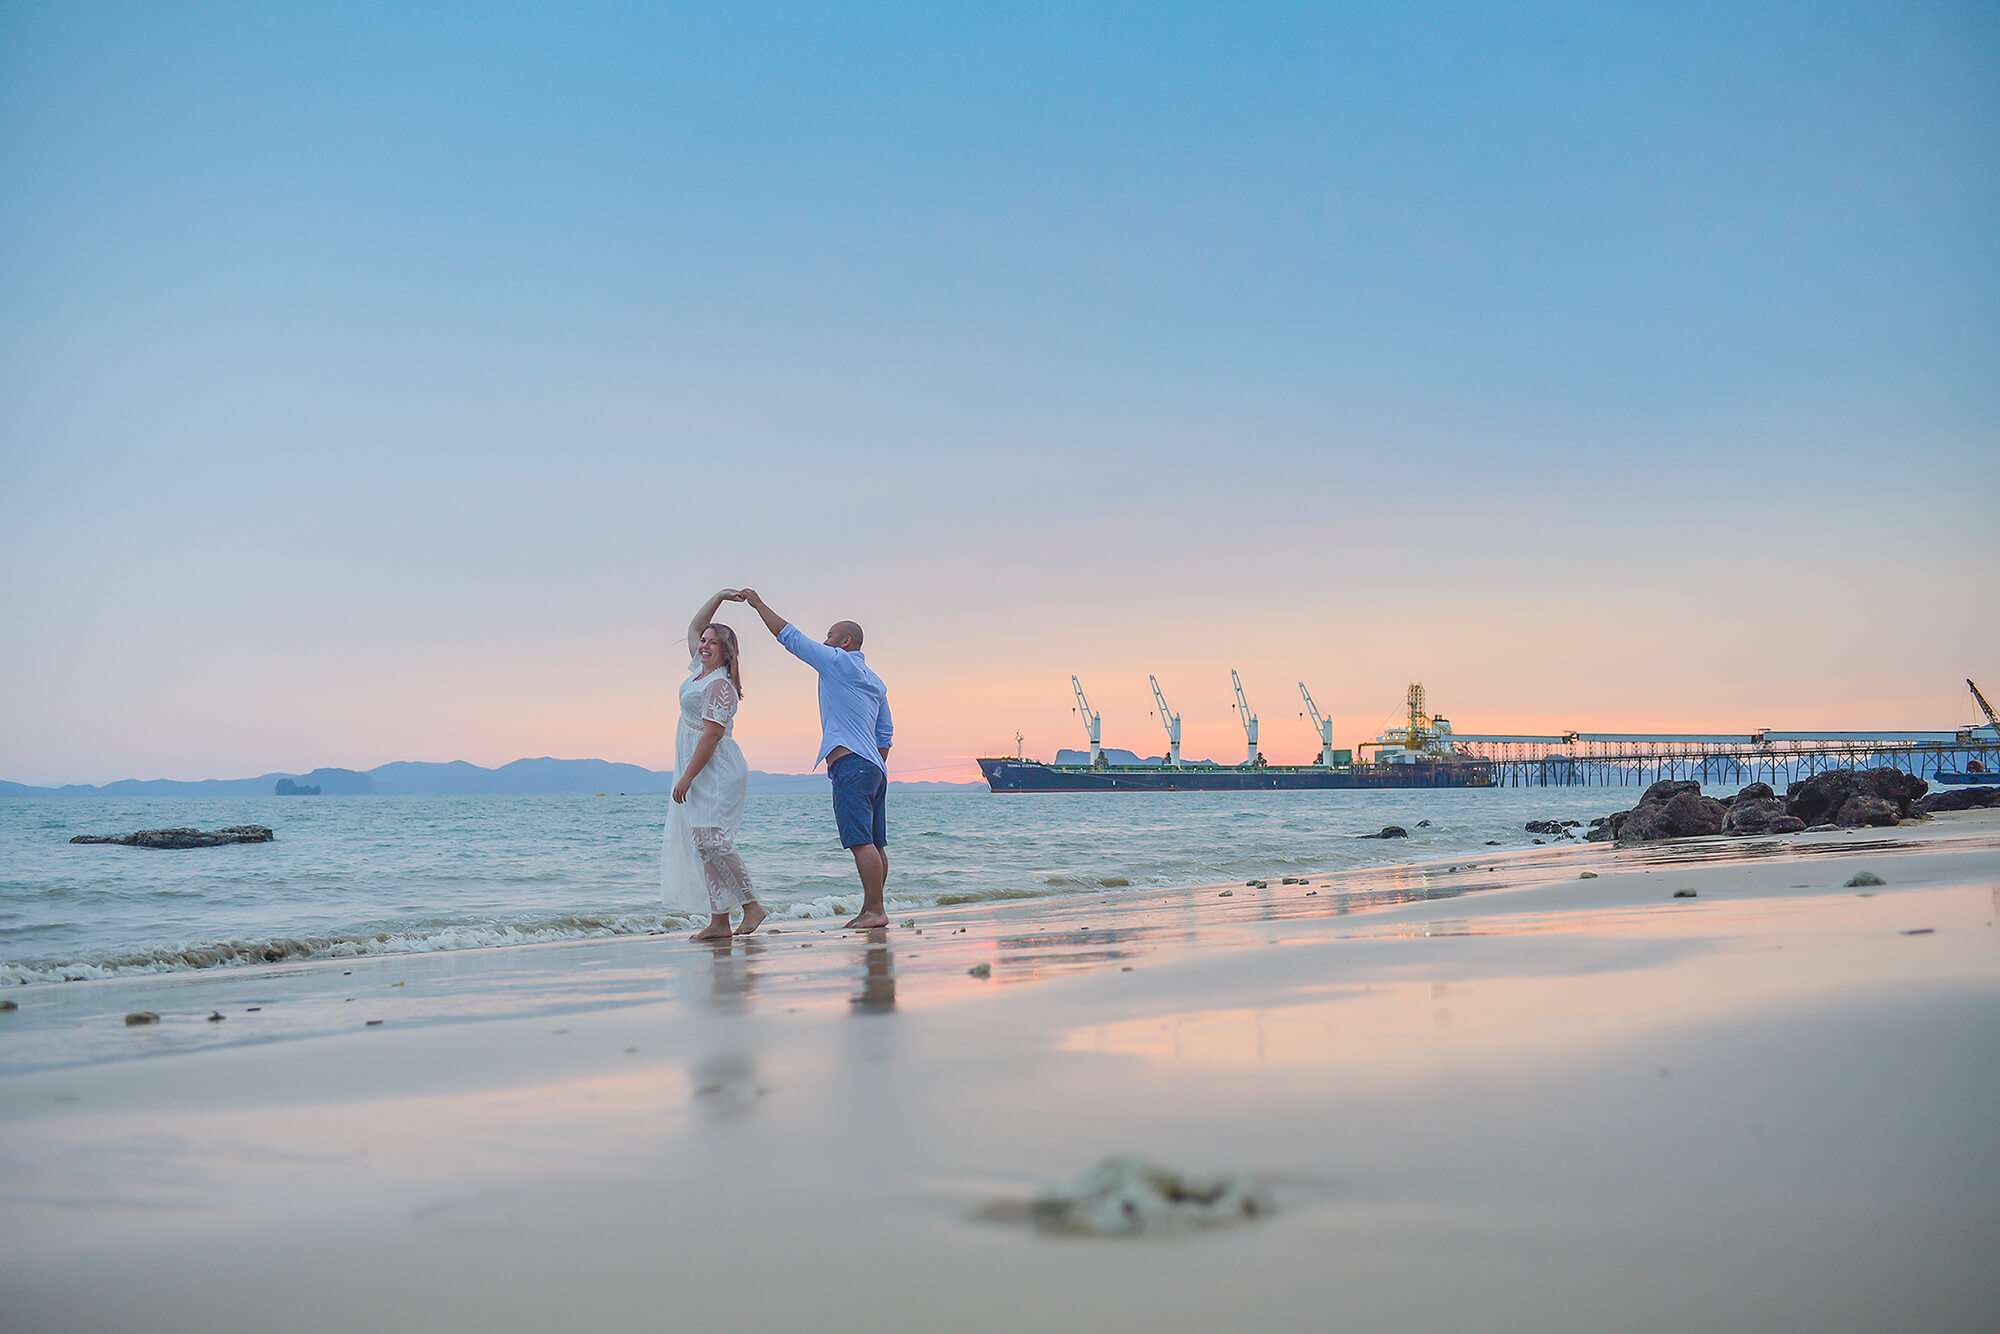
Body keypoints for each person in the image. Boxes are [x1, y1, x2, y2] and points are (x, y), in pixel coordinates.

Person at [738, 589, 893, 929]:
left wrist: (757, 603)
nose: (825, 642)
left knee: (860, 841)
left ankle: (874, 911)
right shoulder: (877, 682)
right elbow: (885, 735)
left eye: (830, 636)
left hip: (852, 765)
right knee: (876, 843)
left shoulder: (836, 661)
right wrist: (874, 764)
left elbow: (789, 637)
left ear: (846, 641)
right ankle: (874, 908)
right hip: (875, 769)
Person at [662, 589, 767, 942]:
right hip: (696, 765)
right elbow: (694, 625)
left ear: (726, 652)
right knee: (701, 843)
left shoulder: (720, 684)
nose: (704, 645)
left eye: (713, 643)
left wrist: (687, 778)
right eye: (704, 641)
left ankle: (751, 905)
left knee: (713, 843)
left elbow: (711, 735)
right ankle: (719, 921)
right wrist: (720, 596)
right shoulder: (699, 673)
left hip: (715, 769)